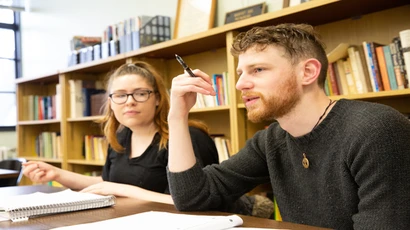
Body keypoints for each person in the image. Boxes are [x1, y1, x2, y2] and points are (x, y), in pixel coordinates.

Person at [166, 23, 410, 229]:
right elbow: (194, 197)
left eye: (258, 69)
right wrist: (177, 116)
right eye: (240, 73)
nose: (240, 84)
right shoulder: (272, 140)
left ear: (308, 72)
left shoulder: (376, 130)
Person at [23, 61, 219, 205]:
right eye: (120, 95)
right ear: (110, 102)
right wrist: (57, 174)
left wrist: (120, 190)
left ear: (158, 98)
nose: (129, 101)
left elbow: (196, 201)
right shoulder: (121, 137)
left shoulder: (188, 137)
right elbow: (106, 183)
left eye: (141, 93)